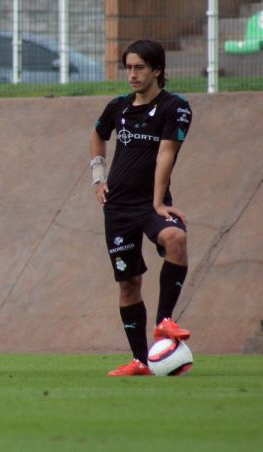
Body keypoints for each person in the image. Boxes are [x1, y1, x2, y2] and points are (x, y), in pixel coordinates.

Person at [90, 39, 193, 376]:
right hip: (117, 207)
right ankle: (140, 361)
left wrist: (159, 201)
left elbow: (166, 153)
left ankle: (165, 321)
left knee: (176, 239)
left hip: (150, 203)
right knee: (128, 283)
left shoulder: (174, 107)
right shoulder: (118, 107)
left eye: (139, 68)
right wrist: (98, 177)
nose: (132, 75)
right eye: (128, 67)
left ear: (157, 70)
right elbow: (98, 135)